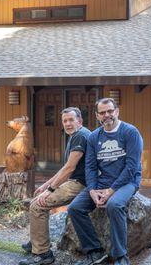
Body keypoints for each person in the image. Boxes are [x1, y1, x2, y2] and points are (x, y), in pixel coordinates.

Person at [68, 98, 143, 265]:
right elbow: (91, 167)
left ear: (117, 111)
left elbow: (132, 167)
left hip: (127, 182)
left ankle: (121, 256)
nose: (107, 115)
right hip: (102, 181)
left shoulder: (130, 132)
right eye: (102, 112)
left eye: (110, 111)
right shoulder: (94, 137)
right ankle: (95, 252)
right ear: (97, 116)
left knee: (114, 205)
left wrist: (112, 190)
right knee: (75, 208)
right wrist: (93, 190)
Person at [18, 107, 91, 265]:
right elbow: (65, 169)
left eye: (71, 120)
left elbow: (70, 169)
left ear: (80, 121)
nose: (68, 123)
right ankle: (36, 242)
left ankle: (43, 254)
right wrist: (46, 185)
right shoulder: (76, 136)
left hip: (81, 184)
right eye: (65, 121)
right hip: (73, 181)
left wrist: (50, 190)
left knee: (38, 205)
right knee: (35, 202)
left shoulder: (81, 136)